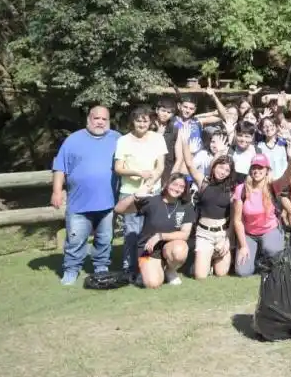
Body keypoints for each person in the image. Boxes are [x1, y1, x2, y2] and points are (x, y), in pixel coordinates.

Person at [50, 106, 121, 286]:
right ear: (88, 119)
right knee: (75, 239)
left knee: (105, 239)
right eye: (96, 118)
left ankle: (101, 267)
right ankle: (71, 270)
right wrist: (57, 191)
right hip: (79, 203)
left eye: (104, 119)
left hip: (108, 202)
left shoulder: (117, 139)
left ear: (108, 121)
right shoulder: (73, 140)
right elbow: (60, 167)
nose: (100, 122)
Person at [113, 173, 194, 288]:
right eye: (174, 184)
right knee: (153, 283)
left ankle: (170, 270)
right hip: (147, 249)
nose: (177, 188)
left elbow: (185, 234)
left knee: (180, 250)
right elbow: (118, 209)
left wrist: (160, 236)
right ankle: (149, 269)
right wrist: (134, 196)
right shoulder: (152, 201)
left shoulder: (186, 206)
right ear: (166, 184)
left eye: (181, 186)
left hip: (170, 247)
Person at [113, 107, 168, 279]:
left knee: (150, 233)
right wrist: (138, 174)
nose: (142, 124)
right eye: (138, 120)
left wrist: (149, 184)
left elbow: (160, 166)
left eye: (145, 120)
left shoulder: (158, 139)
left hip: (153, 192)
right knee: (131, 233)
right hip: (130, 192)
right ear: (133, 122)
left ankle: (145, 265)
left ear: (150, 122)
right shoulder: (123, 141)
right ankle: (129, 268)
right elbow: (118, 168)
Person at [180, 129, 238, 280]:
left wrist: (228, 239)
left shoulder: (231, 190)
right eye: (220, 167)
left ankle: (211, 257)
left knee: (221, 273)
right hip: (204, 233)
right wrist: (185, 141)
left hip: (222, 234)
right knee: (200, 276)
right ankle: (204, 256)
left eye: (227, 170)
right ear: (213, 167)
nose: (223, 172)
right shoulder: (203, 182)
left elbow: (233, 218)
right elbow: (189, 164)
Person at [232, 154, 287, 277]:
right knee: (243, 272)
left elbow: (287, 177)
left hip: (269, 230)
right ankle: (258, 258)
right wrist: (243, 246)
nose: (257, 171)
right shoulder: (241, 189)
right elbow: (237, 221)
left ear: (267, 170)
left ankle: (269, 252)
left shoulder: (273, 186)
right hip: (249, 234)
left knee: (272, 250)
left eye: (260, 168)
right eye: (254, 168)